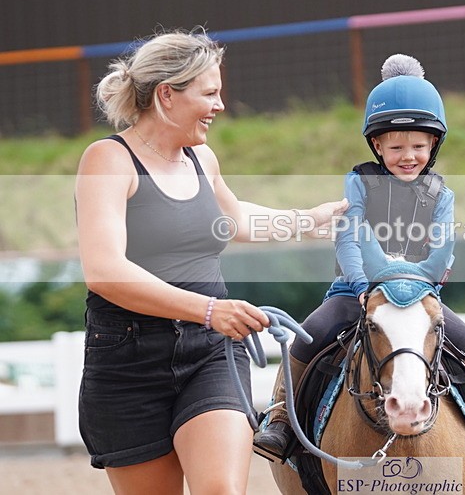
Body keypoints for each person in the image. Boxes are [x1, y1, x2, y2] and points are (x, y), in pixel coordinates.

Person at [74, 28, 348, 495]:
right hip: (127, 354)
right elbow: (104, 272)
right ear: (167, 95)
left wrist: (310, 219)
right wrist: (207, 309)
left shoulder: (201, 157)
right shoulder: (108, 160)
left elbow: (235, 220)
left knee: (221, 489)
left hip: (210, 350)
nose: (220, 105)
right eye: (211, 93)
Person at [253, 54, 465, 462]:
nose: (408, 155)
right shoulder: (359, 181)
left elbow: (443, 245)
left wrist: (428, 285)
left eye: (418, 145)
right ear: (377, 145)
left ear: (433, 144)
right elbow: (350, 237)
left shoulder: (441, 194)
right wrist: (363, 286)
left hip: (418, 293)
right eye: (396, 146)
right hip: (355, 290)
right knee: (310, 334)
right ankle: (280, 418)